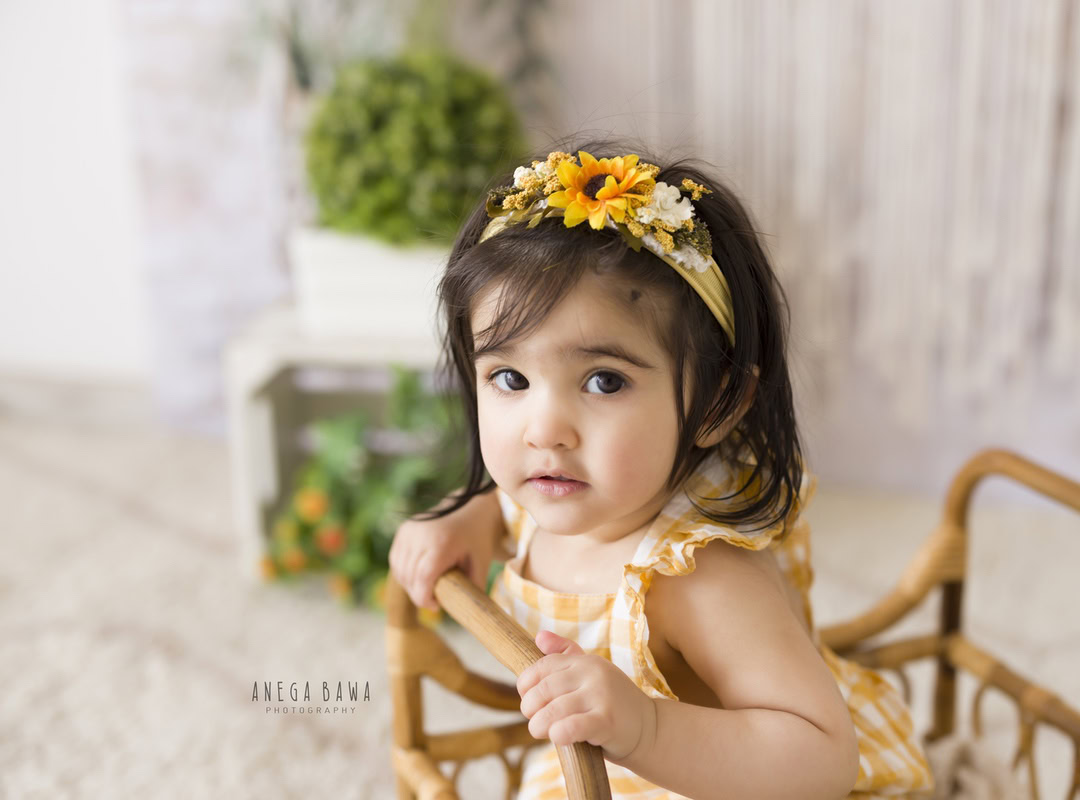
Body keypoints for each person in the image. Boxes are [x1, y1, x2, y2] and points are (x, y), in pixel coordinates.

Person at [389, 136, 934, 799]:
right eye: (509, 377)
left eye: (605, 382)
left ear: (718, 404)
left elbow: (821, 758)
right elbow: (503, 515)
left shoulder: (699, 579)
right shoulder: (563, 489)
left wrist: (644, 727)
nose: (543, 430)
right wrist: (463, 522)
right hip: (603, 764)